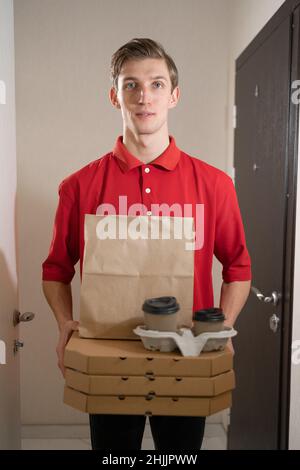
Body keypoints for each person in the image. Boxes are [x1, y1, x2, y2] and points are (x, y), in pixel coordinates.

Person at [42, 37, 252, 451]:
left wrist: (223, 326)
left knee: (179, 458)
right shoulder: (79, 186)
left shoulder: (214, 185)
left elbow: (238, 268)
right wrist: (65, 324)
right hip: (108, 356)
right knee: (115, 459)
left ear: (174, 95)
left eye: (156, 84)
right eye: (130, 85)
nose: (144, 96)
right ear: (114, 96)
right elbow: (55, 270)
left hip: (187, 356)